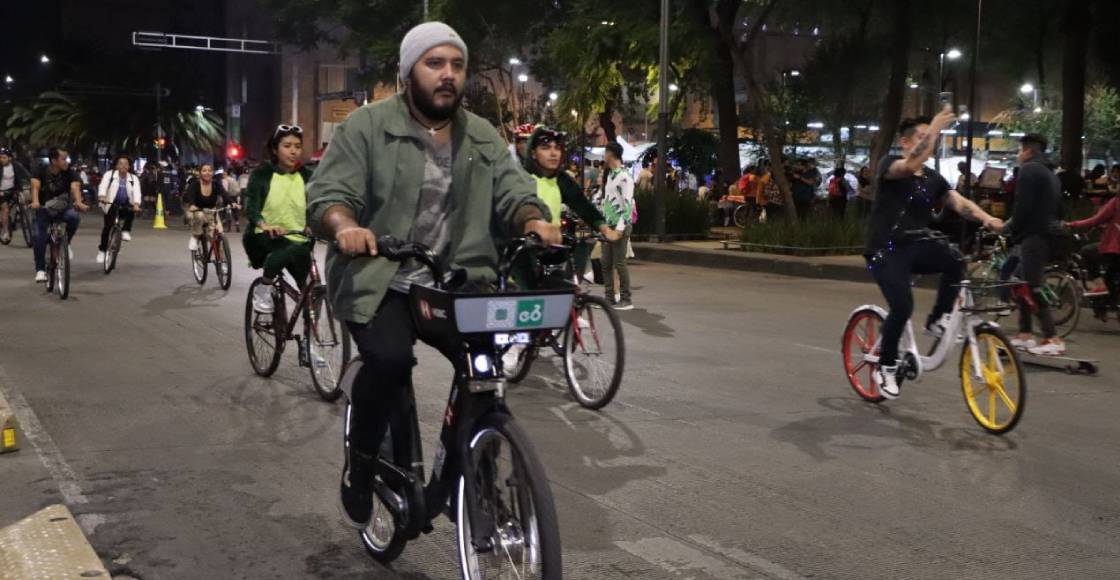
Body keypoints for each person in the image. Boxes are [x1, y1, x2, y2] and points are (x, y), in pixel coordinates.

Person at [305, 21, 561, 528]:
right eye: (435, 63)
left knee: (486, 373)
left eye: (457, 65)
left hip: (458, 284)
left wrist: (533, 219)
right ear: (408, 72)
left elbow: (513, 190)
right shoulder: (366, 127)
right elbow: (330, 194)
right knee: (391, 361)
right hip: (381, 278)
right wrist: (346, 226)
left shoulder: (483, 135)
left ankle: (475, 478)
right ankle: (360, 468)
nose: (448, 75)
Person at [865, 111, 1002, 398]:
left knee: (955, 260)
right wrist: (936, 128)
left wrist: (988, 219)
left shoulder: (931, 177)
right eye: (921, 137)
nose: (929, 142)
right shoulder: (891, 166)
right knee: (902, 307)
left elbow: (958, 202)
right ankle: (886, 367)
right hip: (885, 250)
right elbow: (911, 162)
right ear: (904, 142)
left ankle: (936, 319)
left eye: (930, 137)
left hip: (915, 245)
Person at [990, 134, 1065, 355]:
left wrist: (1006, 228)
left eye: (1020, 150)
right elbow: (1060, 209)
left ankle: (1053, 338)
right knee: (1019, 282)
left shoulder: (1029, 170)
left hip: (1035, 235)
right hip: (1048, 234)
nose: (1018, 154)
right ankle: (1025, 334)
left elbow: (1022, 208)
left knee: (1031, 285)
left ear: (1028, 151)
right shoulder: (1051, 175)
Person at [243, 127, 315, 312]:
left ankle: (311, 337)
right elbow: (251, 205)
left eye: (298, 146)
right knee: (286, 249)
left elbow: (317, 204)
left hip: (299, 238)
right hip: (264, 237)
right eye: (287, 146)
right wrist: (264, 224)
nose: (293, 151)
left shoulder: (307, 175)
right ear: (275, 149)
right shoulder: (262, 173)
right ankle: (263, 289)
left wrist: (313, 224)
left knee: (310, 292)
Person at [30, 147, 90, 282]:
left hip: (62, 209)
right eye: (63, 159)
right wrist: (35, 201)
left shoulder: (70, 172)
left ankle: (66, 243)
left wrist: (79, 202)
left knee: (74, 217)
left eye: (67, 158)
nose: (67, 161)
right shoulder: (40, 170)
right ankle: (40, 270)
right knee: (38, 237)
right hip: (43, 209)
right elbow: (35, 187)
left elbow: (75, 187)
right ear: (54, 160)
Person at [1066, 194, 1120, 320]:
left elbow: (1095, 220)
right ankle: (1104, 305)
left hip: (1115, 248)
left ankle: (1101, 298)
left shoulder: (1116, 202)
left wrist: (1072, 224)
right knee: (1110, 275)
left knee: (1087, 252)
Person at [599, 141, 636, 310]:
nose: (604, 155)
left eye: (605, 152)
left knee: (619, 263)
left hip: (620, 226)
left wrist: (620, 229)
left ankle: (626, 298)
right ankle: (609, 298)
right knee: (605, 262)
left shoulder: (625, 177)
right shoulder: (611, 176)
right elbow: (607, 200)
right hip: (608, 225)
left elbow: (627, 204)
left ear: (611, 154)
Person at [95, 154, 141, 263]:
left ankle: (126, 230)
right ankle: (102, 250)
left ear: (129, 166)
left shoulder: (133, 178)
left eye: (126, 164)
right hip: (110, 203)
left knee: (131, 211)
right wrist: (102, 196)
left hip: (125, 204)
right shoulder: (109, 174)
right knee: (108, 227)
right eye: (120, 163)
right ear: (116, 165)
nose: (123, 166)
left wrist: (136, 204)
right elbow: (103, 186)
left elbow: (137, 192)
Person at [183, 163, 235, 253]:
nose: (207, 173)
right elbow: (189, 196)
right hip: (196, 211)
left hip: (211, 211)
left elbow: (224, 193)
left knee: (218, 234)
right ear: (200, 173)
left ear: (212, 172)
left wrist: (232, 202)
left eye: (209, 170)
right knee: (199, 216)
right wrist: (192, 204)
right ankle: (195, 236)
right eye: (204, 170)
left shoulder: (216, 184)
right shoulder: (194, 184)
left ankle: (222, 261)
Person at [0, 147, 31, 244]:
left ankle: (22, 215)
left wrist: (32, 182)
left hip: (14, 189)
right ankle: (5, 231)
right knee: (5, 209)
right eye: (0, 157)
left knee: (23, 198)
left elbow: (27, 175)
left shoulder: (16, 166)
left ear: (10, 158)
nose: (2, 159)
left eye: (4, 157)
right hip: (1, 191)